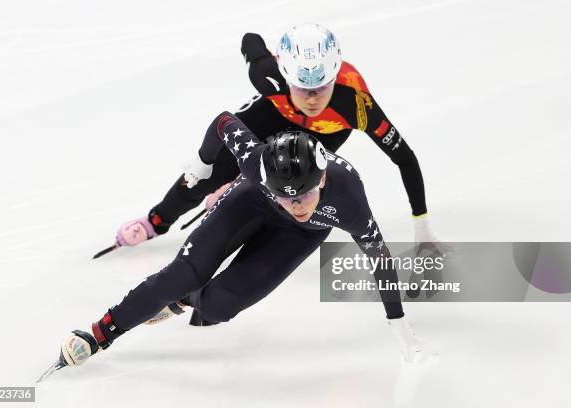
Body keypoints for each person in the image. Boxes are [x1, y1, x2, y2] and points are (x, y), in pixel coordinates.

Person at [49, 112, 425, 378]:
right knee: (180, 275)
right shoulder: (257, 161)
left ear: (322, 180)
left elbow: (382, 260)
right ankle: (100, 332)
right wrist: (202, 163)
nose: (295, 206)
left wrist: (398, 320)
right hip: (252, 201)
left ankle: (184, 303)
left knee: (218, 306)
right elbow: (223, 122)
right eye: (287, 197)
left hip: (301, 236)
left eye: (303, 197)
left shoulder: (349, 200)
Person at [113, 23, 440, 255]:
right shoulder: (267, 75)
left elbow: (404, 158)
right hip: (272, 112)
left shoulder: (356, 105)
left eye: (321, 87)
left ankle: (237, 215)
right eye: (303, 87)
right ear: (285, 75)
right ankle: (156, 219)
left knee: (287, 184)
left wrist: (421, 224)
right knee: (208, 173)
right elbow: (249, 38)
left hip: (322, 131)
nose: (312, 99)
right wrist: (203, 163)